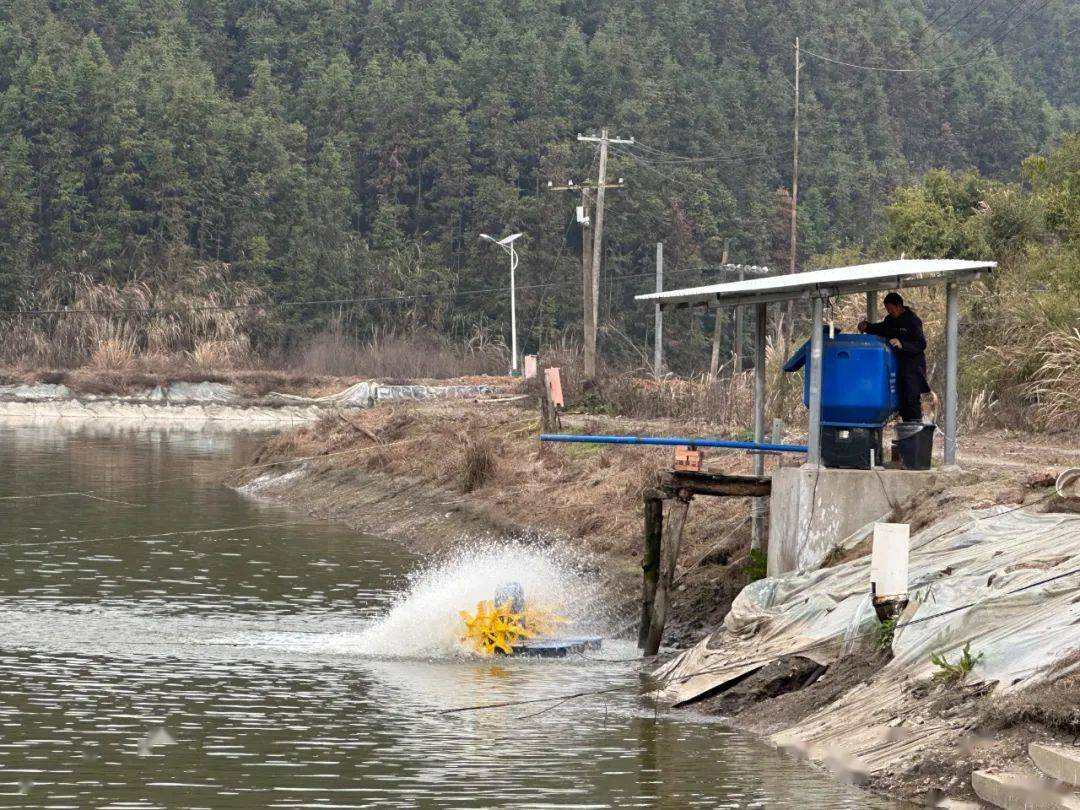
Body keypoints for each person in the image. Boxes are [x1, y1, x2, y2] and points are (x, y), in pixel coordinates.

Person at [858, 292, 929, 422]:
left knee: (911, 400)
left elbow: (921, 344)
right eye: (887, 310)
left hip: (913, 368)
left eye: (891, 309)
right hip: (897, 366)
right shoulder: (890, 320)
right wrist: (867, 326)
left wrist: (902, 344)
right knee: (901, 401)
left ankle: (915, 431)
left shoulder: (913, 320)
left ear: (899, 306)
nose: (889, 312)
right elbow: (881, 328)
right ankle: (906, 430)